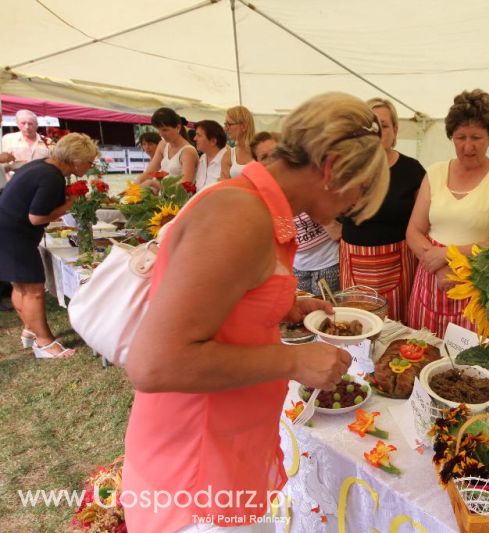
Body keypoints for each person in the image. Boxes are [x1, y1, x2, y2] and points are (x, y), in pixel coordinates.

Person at [122, 92, 389, 532]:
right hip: (195, 470)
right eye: (361, 188)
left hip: (225, 450)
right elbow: (155, 364)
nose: (356, 204)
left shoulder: (255, 208)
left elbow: (226, 303)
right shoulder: (241, 214)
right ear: (331, 166)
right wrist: (294, 360)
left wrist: (286, 306)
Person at [406, 89, 489, 337]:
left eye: (477, 137)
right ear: (451, 137)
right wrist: (437, 266)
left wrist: (449, 255)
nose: (468, 146)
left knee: (467, 365)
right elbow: (414, 231)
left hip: (477, 281)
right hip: (430, 277)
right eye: (460, 137)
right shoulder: (435, 172)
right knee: (419, 353)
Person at [0, 133, 100, 358]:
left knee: (21, 285)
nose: (90, 166)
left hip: (6, 229)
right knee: (34, 290)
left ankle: (30, 331)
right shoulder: (51, 176)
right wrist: (68, 204)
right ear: (75, 160)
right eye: (89, 161)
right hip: (15, 235)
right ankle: (44, 343)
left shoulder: (42, 166)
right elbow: (36, 217)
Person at [340, 97, 426, 322]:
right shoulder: (347, 168)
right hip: (353, 262)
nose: (377, 132)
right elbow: (322, 203)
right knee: (356, 326)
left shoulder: (412, 170)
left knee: (397, 330)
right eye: (371, 127)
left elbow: (426, 221)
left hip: (399, 263)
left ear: (395, 130)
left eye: (384, 126)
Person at [135, 107, 198, 186]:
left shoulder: (188, 152)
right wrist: (133, 188)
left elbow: (185, 184)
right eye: (159, 130)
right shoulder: (162, 144)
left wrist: (155, 184)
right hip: (163, 195)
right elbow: (149, 173)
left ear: (178, 127)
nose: (161, 134)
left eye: (165, 130)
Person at [2, 109, 51, 177]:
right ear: (17, 124)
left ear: (37, 125)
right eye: (23, 123)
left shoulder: (48, 141)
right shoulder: (8, 139)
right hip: (14, 182)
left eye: (30, 123)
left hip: (39, 181)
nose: (27, 127)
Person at [220, 105, 255, 179]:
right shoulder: (229, 155)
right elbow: (223, 185)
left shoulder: (261, 151)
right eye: (225, 124)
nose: (226, 128)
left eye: (229, 124)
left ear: (244, 126)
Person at [193, 120, 227, 191]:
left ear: (213, 141)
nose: (195, 138)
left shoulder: (228, 161)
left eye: (199, 135)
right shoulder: (203, 158)